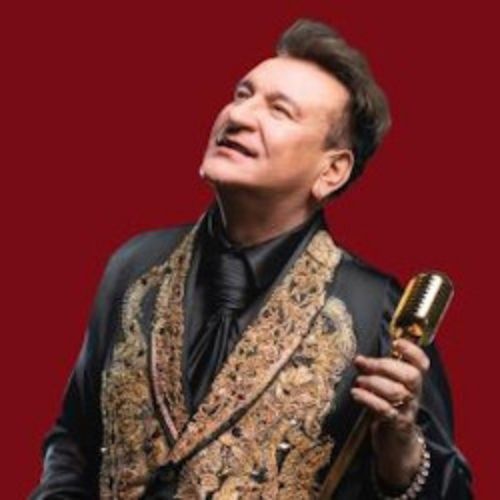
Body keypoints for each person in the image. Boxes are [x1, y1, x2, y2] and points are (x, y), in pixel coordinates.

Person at [31, 19, 473, 499]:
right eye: (242, 95)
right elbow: (74, 441)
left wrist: (402, 458)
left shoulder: (378, 311)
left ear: (332, 170)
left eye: (279, 111)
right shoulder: (135, 267)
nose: (239, 116)